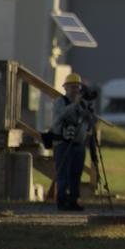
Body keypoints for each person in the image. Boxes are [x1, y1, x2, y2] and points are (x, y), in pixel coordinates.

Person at [48, 74, 94, 212]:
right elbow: (62, 116)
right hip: (63, 143)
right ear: (65, 88)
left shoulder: (82, 104)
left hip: (78, 144)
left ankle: (74, 200)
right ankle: (61, 201)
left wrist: (88, 111)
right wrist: (75, 104)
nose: (75, 90)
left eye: (77, 87)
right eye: (72, 87)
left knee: (76, 174)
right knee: (63, 174)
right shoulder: (59, 102)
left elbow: (89, 122)